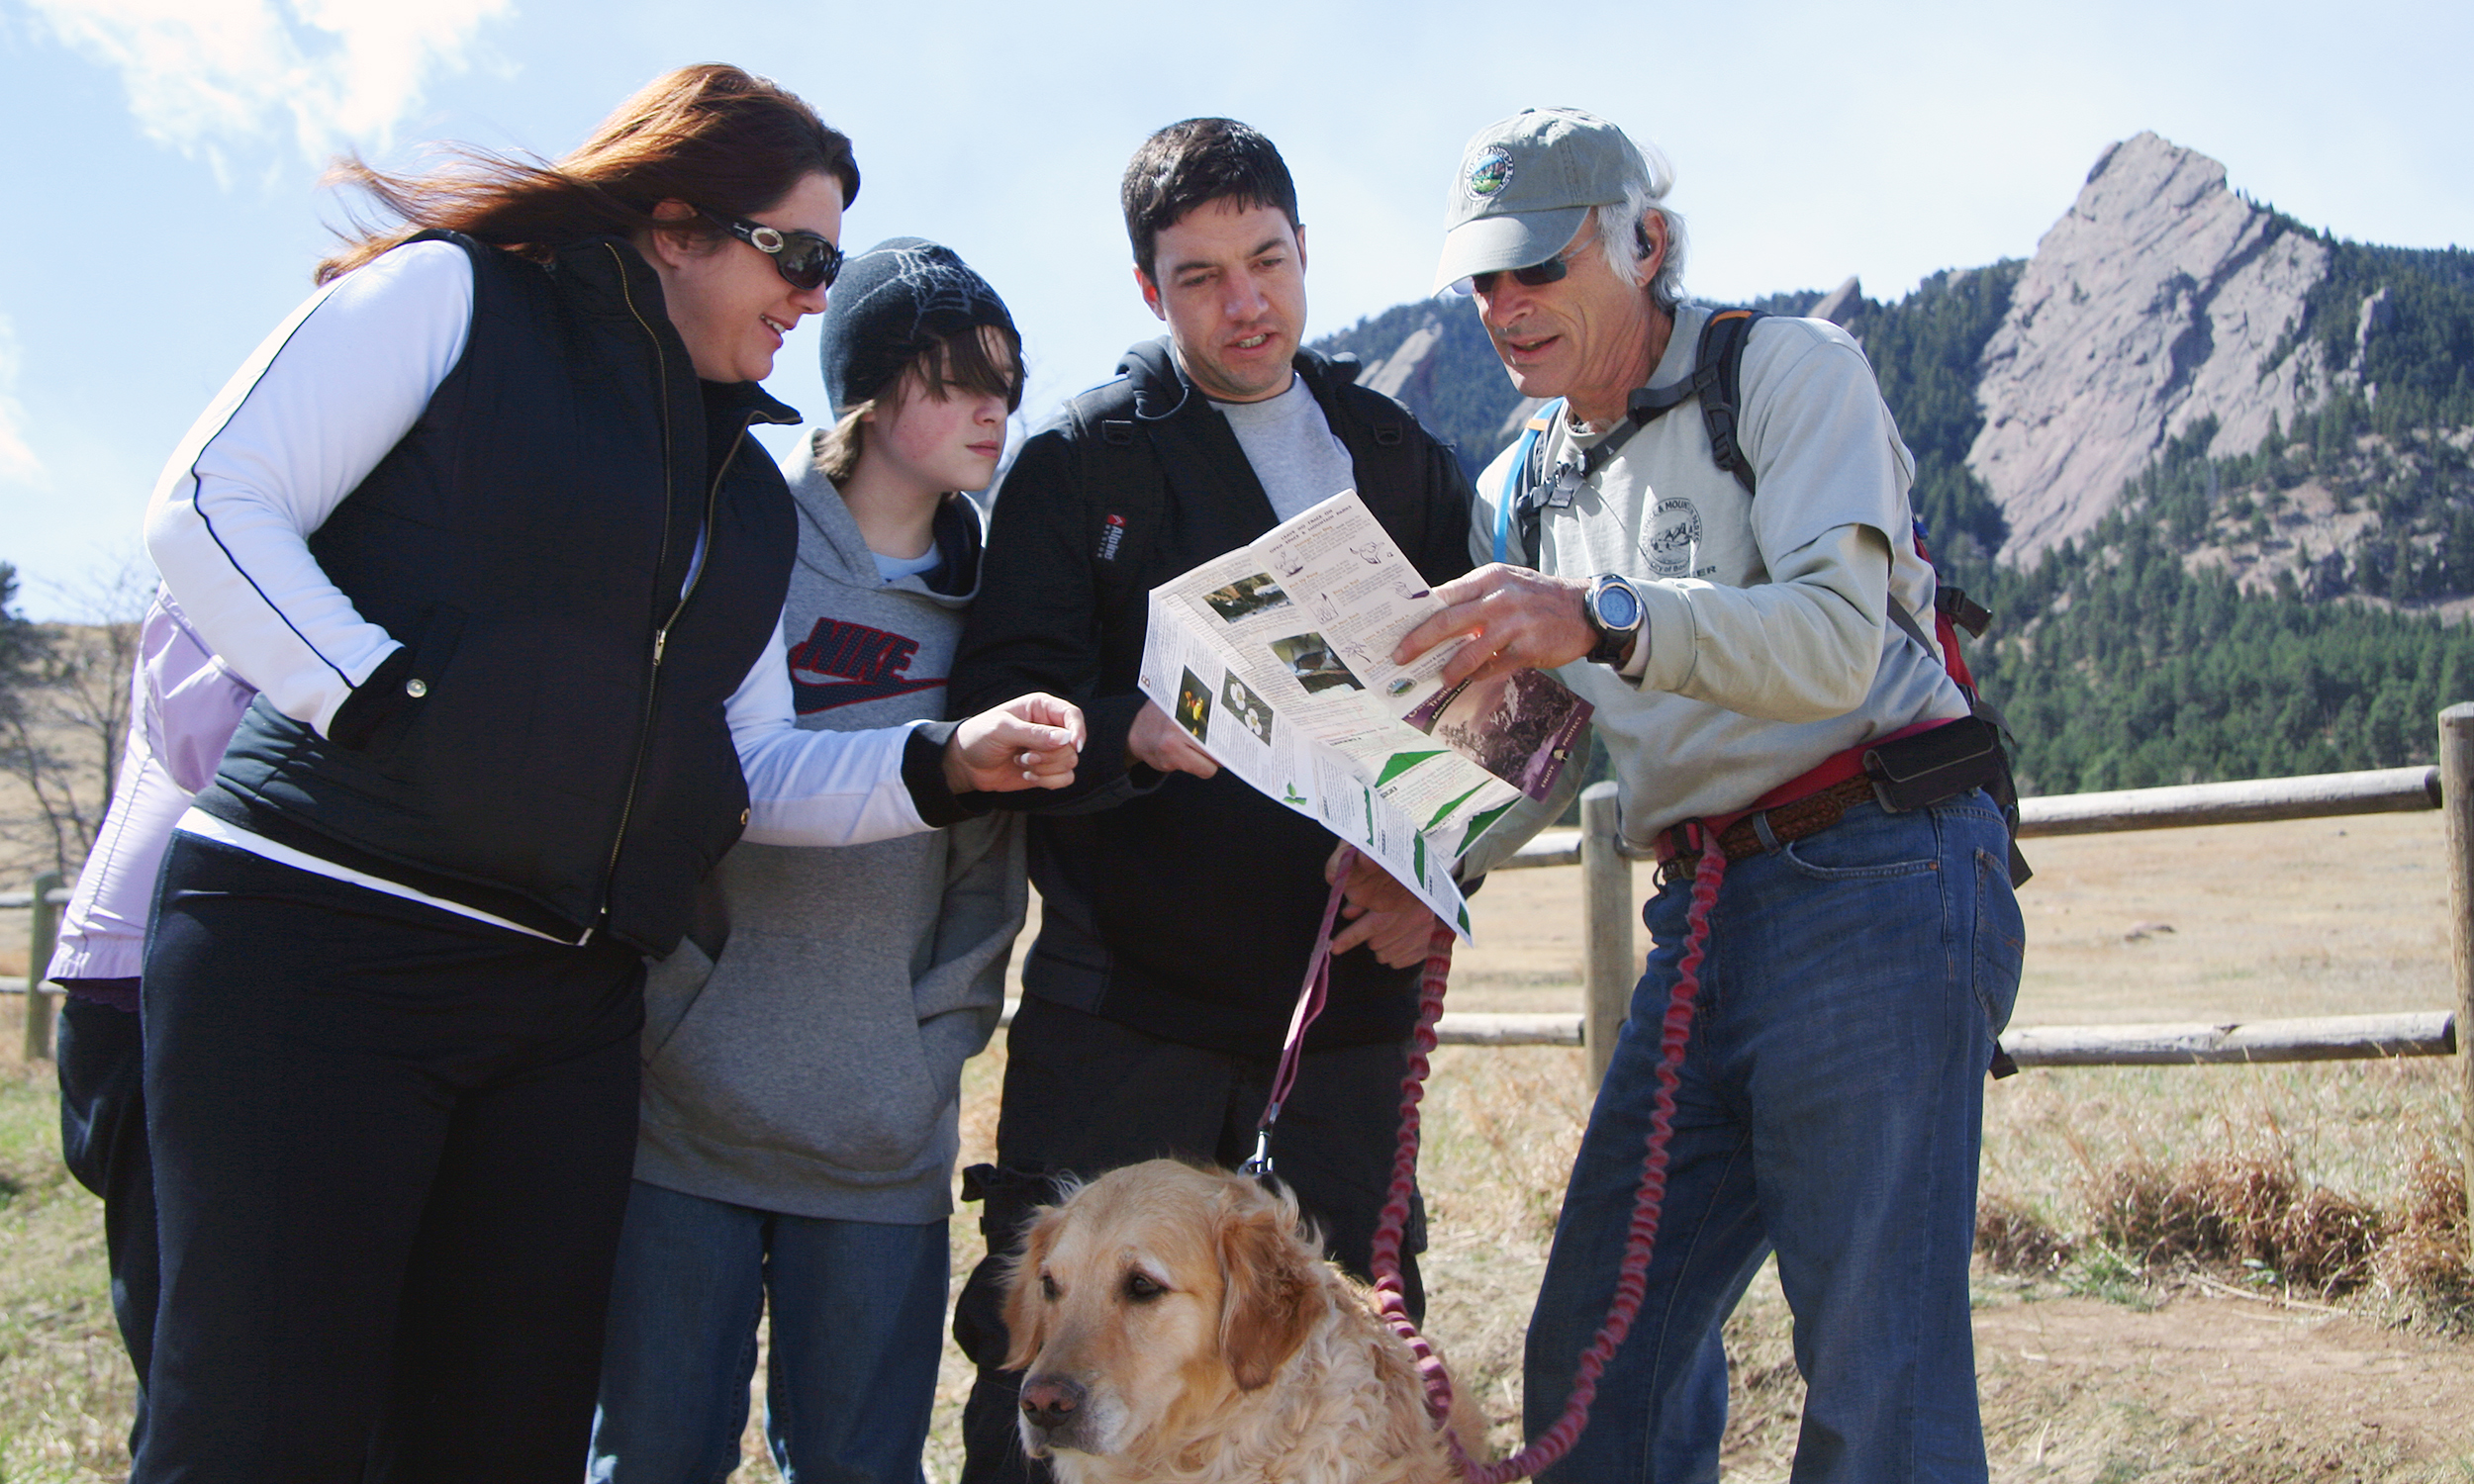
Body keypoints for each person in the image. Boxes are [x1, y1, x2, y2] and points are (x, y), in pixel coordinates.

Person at [133, 65, 1081, 1483]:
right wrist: (390, 702)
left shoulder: (740, 493)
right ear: (679, 222)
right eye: (801, 256)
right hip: (320, 945)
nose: (818, 298)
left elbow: (751, 763)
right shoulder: (457, 300)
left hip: (564, 1012)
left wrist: (945, 763)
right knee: (269, 1428)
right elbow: (211, 506)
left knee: (500, 1440)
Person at [1393, 109, 2026, 1482]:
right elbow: (1529, 752)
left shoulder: (1792, 373)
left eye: (1537, 268)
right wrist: (1414, 859)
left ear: (1646, 243)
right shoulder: (1523, 489)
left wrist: (1602, 613)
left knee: (1875, 1376)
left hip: (1883, 864)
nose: (1505, 307)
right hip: (1708, 916)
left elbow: (1830, 647)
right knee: (1595, 1370)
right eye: (1481, 281)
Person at [944, 117, 1479, 1484]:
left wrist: (1432, 883)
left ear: (1306, 254)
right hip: (1128, 1014)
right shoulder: (1076, 465)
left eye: (1269, 261)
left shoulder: (1399, 455)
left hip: (1346, 1013)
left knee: (1338, 1385)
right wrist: (1128, 730)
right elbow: (1006, 693)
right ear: (1147, 290)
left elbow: (1480, 707)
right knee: (1055, 1392)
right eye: (1200, 277)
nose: (1245, 303)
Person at [589, 238, 1030, 1484]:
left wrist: (922, 1051)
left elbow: (991, 879)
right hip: (685, 1116)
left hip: (880, 1146)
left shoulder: (999, 611)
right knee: (652, 1458)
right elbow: (664, 794)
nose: (991, 407)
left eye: (1007, 380)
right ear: (868, 393)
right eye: (954, 378)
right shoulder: (733, 544)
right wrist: (676, 1012)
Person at [42, 588, 254, 1464]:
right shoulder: (239, 540)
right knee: (202, 1370)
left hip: (236, 977)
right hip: (151, 979)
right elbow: (208, 743)